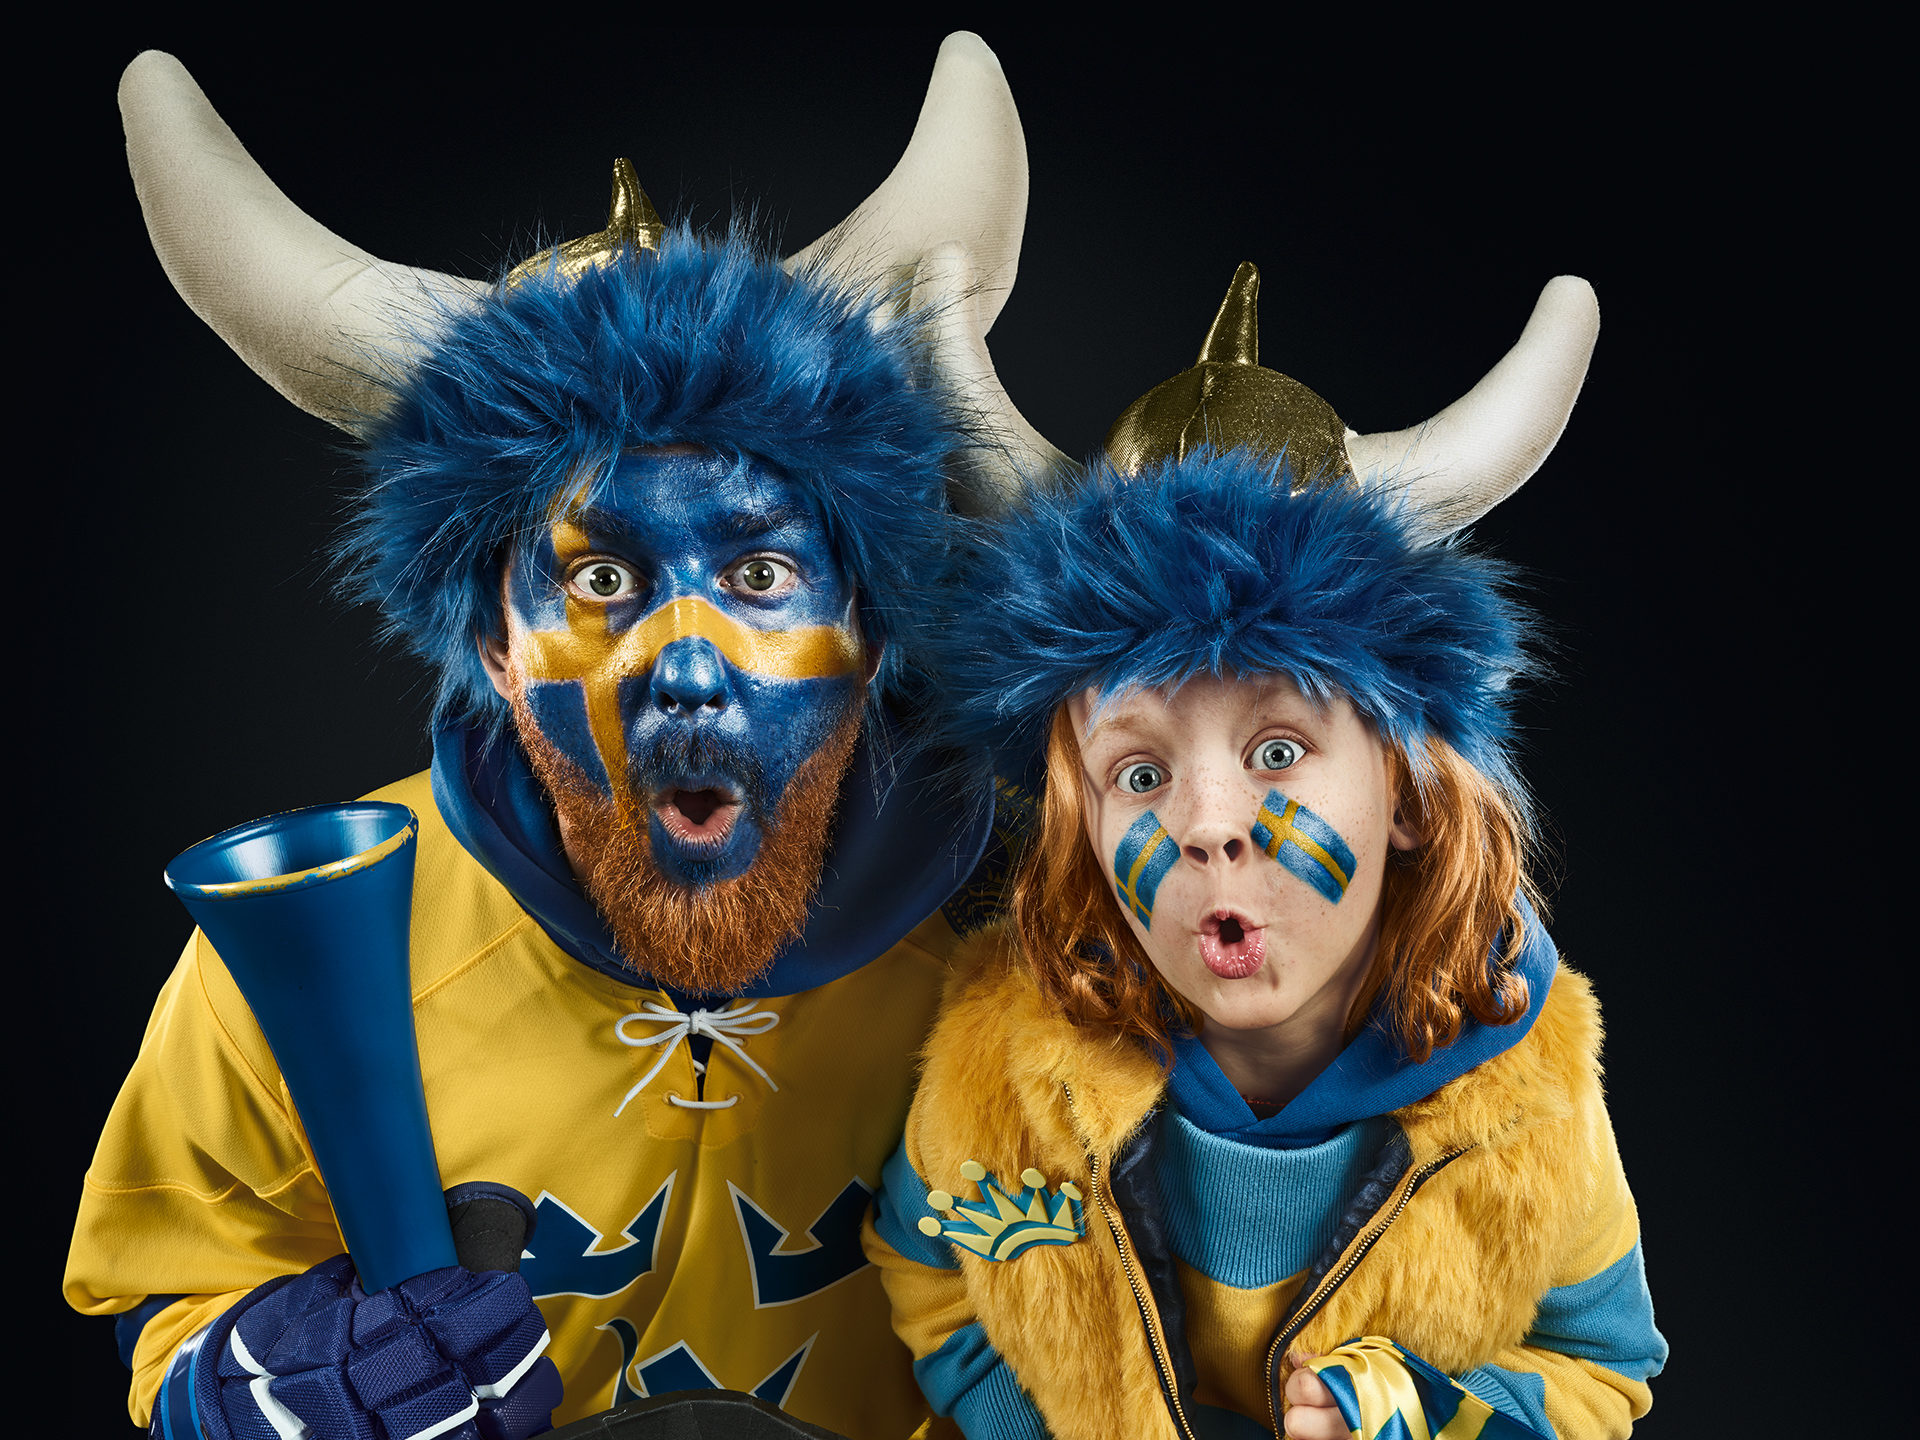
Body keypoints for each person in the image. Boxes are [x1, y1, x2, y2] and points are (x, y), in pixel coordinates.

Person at [65, 35, 1044, 1440]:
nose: (687, 667)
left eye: (762, 573)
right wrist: (263, 1385)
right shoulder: (301, 944)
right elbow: (168, 1307)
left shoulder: (1036, 933)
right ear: (493, 647)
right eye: (600, 578)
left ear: (872, 630)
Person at [864, 264, 1667, 1438]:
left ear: (1404, 789)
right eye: (1140, 774)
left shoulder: (1527, 1104)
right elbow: (931, 1276)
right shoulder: (999, 1067)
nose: (1205, 822)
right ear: (1082, 826)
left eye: (1279, 750)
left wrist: (1411, 1416)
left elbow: (1599, 1367)